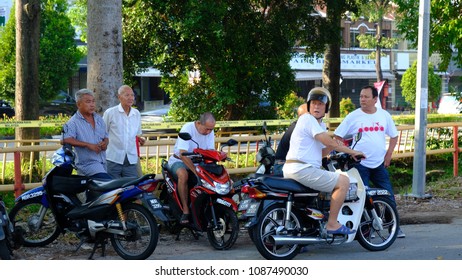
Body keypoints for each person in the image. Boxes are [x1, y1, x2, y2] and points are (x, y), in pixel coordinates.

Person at [282, 87, 365, 235]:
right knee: (343, 182)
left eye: (320, 104)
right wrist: (353, 151)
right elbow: (329, 142)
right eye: (313, 103)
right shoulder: (307, 118)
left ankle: (309, 229)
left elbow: (321, 151)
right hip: (302, 169)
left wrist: (336, 146)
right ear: (308, 106)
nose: (316, 106)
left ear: (326, 107)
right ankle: (332, 224)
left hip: (297, 168)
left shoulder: (319, 125)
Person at [333, 85, 405, 238]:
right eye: (361, 96)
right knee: (362, 198)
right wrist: (349, 153)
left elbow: (393, 136)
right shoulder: (353, 117)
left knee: (388, 195)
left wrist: (388, 155)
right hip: (360, 165)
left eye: (366, 97)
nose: (362, 99)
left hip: (379, 164)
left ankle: (394, 227)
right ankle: (367, 229)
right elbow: (337, 138)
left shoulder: (384, 115)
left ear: (374, 99)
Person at [167, 112, 216, 224]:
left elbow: (210, 151)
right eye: (207, 129)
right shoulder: (187, 128)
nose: (208, 132)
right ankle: (185, 210)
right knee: (183, 175)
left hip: (198, 162)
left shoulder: (210, 131)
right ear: (199, 123)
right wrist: (195, 171)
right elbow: (182, 153)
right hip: (179, 160)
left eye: (211, 129)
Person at [62, 88, 112, 181]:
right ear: (79, 104)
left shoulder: (99, 118)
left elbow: (106, 136)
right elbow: (65, 139)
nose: (92, 104)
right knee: (110, 184)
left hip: (103, 161)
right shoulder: (73, 122)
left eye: (93, 101)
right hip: (87, 164)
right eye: (88, 102)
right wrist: (87, 145)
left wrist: (105, 143)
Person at [103, 85, 145, 179]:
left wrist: (140, 139)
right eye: (127, 95)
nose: (130, 98)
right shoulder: (110, 113)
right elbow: (102, 133)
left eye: (132, 95)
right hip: (113, 158)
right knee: (113, 189)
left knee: (131, 189)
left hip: (130, 159)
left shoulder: (136, 114)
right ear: (119, 97)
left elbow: (137, 134)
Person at [273, 103, 308, 176]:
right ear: (303, 116)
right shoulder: (299, 129)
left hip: (284, 165)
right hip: (283, 166)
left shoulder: (297, 125)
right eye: (310, 114)